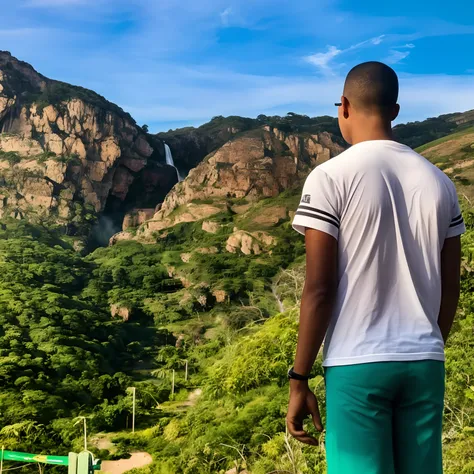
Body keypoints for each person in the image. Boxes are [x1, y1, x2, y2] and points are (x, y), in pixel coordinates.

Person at [286, 61, 465, 474]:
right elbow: (450, 286)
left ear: (344, 106)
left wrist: (299, 377)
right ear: (396, 110)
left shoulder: (330, 177)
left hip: (357, 363)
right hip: (425, 361)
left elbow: (318, 288)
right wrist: (428, 342)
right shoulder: (441, 183)